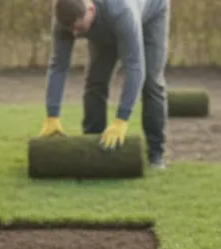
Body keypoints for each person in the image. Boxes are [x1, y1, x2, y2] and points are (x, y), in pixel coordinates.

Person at [40, 0, 170, 169]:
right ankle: (93, 144)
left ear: (90, 9)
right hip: (105, 25)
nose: (74, 34)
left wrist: (121, 119)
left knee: (151, 82)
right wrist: (52, 115)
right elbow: (58, 66)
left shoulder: (121, 11)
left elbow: (134, 67)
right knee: (96, 82)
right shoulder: (65, 19)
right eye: (70, 29)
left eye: (78, 29)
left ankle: (156, 154)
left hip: (151, 12)